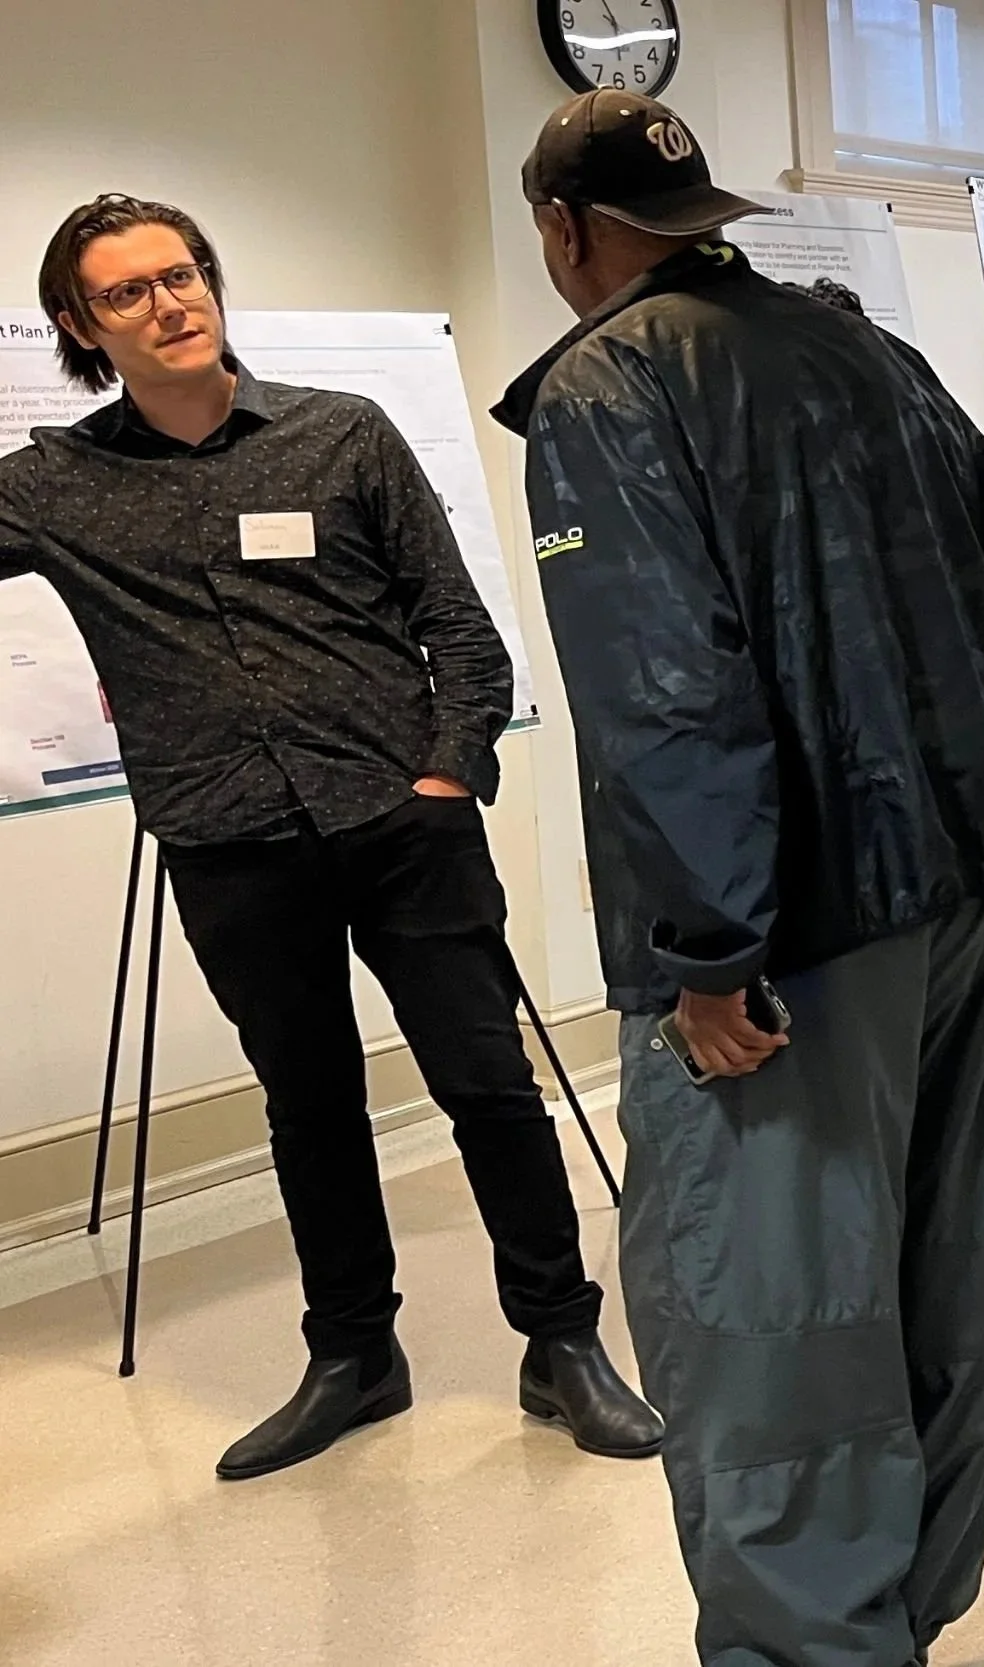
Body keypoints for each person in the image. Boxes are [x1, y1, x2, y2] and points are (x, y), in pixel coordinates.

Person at [492, 91, 984, 1667]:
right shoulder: (861, 350)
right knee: (937, 1277)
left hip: (785, 944)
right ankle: (899, 1614)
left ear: (565, 232)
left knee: (770, 1321)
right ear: (707, 215)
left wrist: (707, 947)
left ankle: (809, 1647)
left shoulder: (605, 385)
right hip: (955, 897)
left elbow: (665, 690)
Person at [0, 194, 662, 1479]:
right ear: (81, 325)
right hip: (227, 841)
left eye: (183, 273)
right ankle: (356, 1355)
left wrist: (446, 775)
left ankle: (560, 1342)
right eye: (128, 292)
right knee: (309, 1106)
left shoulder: (341, 435)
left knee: (486, 1086)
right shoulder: (54, 487)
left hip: (398, 822)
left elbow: (463, 631)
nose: (170, 303)